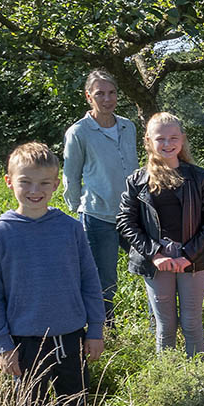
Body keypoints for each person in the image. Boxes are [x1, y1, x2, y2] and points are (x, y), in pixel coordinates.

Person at [0, 143, 105, 406]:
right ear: (10, 181)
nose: (35, 190)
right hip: (24, 341)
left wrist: (95, 330)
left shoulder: (71, 229)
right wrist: (2, 344)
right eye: (25, 182)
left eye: (44, 183)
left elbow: (90, 281)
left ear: (56, 183)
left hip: (70, 335)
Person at [117, 113, 204, 357]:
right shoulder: (137, 180)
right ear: (148, 141)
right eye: (160, 138)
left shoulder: (199, 177)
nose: (167, 144)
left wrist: (189, 254)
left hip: (193, 259)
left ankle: (199, 380)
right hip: (156, 262)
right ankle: (169, 381)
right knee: (165, 326)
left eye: (173, 137)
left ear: (183, 139)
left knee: (191, 322)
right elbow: (125, 221)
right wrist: (154, 254)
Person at [62, 70, 137, 327]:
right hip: (97, 216)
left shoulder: (129, 126)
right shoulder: (79, 132)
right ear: (88, 97)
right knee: (105, 279)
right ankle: (105, 330)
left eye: (112, 93)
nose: (107, 99)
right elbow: (71, 175)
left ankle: (159, 324)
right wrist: (76, 209)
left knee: (152, 265)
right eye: (100, 94)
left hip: (131, 214)